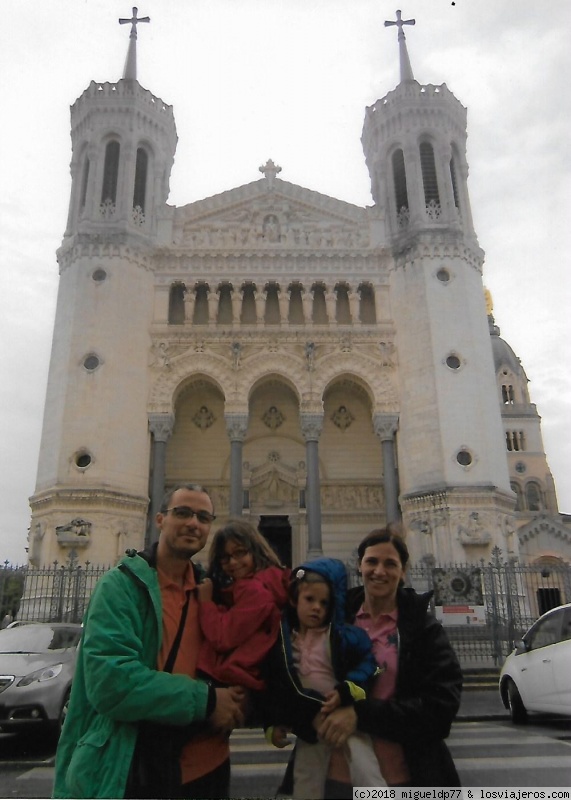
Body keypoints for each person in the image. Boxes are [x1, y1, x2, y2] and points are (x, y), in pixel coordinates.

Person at [53, 483, 245, 800]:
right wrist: (209, 701)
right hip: (141, 767)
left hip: (209, 768)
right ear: (159, 519)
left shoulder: (210, 590)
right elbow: (111, 684)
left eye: (203, 517)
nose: (193, 523)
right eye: (182, 513)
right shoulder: (121, 587)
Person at [316, 526, 463, 789]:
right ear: (359, 566)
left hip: (402, 777)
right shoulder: (332, 620)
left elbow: (440, 710)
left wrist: (361, 715)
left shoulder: (422, 630)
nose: (379, 571)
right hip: (333, 777)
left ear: (403, 571)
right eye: (371, 561)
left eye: (390, 564)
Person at [265, 558, 386, 799]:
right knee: (306, 777)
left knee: (366, 769)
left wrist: (347, 690)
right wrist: (272, 722)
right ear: (294, 600)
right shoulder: (283, 640)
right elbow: (275, 685)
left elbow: (368, 663)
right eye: (310, 600)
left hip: (342, 711)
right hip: (310, 721)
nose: (317, 607)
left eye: (324, 603)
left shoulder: (342, 636)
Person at [196, 518, 291, 694]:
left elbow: (222, 638)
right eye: (225, 558)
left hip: (239, 679)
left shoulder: (254, 590)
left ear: (255, 551)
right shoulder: (271, 582)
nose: (232, 562)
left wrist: (206, 602)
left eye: (240, 553)